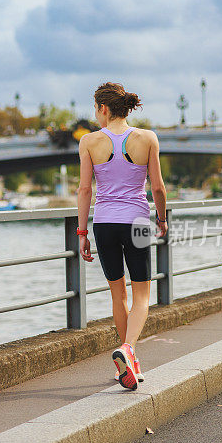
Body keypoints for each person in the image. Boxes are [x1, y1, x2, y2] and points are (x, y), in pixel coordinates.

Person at [76, 82, 168, 390]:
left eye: (96, 110)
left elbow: (85, 189)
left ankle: (130, 364)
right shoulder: (148, 138)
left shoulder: (89, 142)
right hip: (139, 221)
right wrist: (162, 218)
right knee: (142, 293)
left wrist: (82, 232)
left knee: (119, 294)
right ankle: (128, 350)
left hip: (104, 223)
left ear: (103, 108)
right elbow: (157, 188)